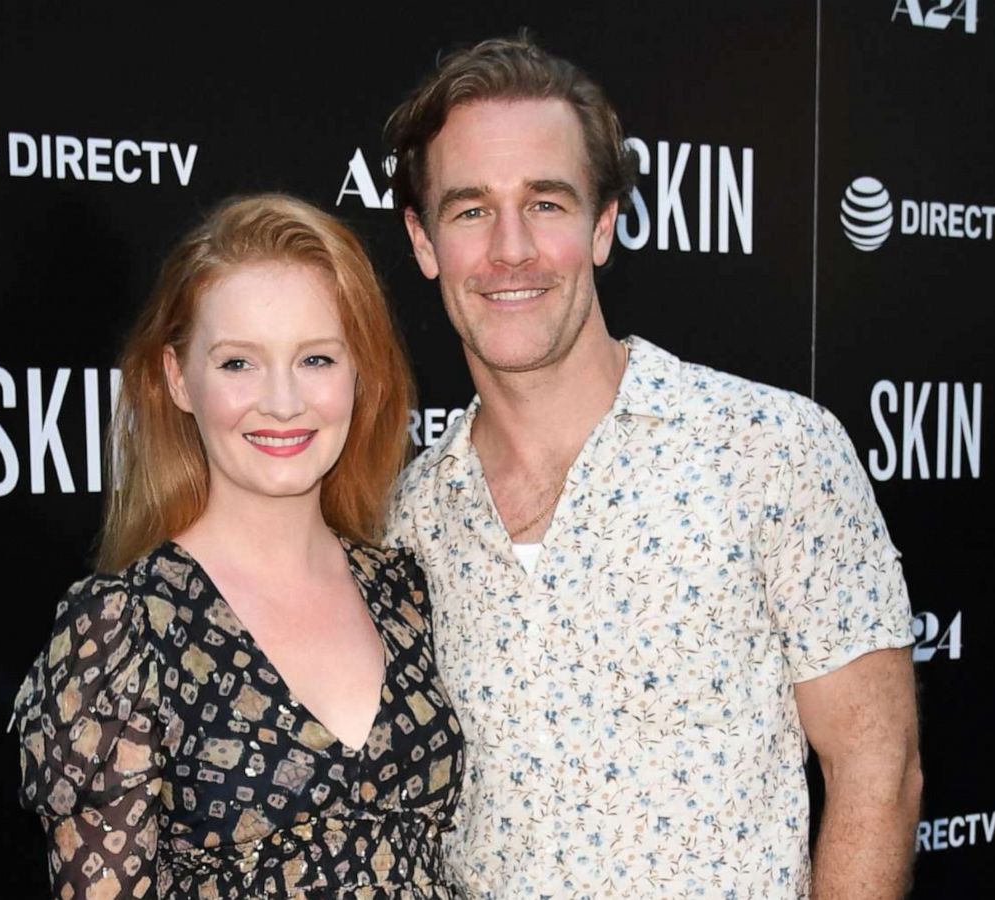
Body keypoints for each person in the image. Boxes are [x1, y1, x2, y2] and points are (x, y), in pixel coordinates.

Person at [382, 36, 922, 898]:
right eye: (471, 209)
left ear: (603, 225)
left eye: (547, 204)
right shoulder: (404, 519)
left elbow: (878, 773)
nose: (510, 249)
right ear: (423, 240)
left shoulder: (772, 450)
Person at [11, 194, 464, 898]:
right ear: (177, 378)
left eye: (315, 358)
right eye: (237, 364)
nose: (282, 402)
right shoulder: (126, 627)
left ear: (360, 374)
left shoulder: (404, 588)